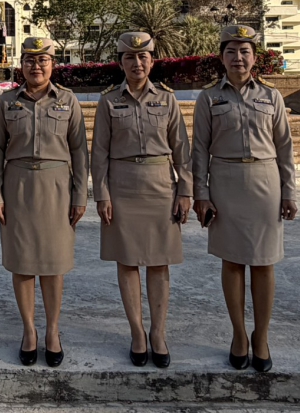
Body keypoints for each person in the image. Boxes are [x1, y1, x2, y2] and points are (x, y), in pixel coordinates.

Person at [192, 25, 297, 373]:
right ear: (222, 58)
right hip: (225, 183)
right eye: (231, 51)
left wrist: (289, 191)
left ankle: (261, 336)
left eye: (245, 51)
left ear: (254, 57)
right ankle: (239, 335)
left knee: (264, 263)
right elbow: (199, 150)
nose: (238, 58)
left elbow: (285, 148)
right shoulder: (209, 98)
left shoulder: (271, 96)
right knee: (233, 262)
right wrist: (201, 195)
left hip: (265, 183)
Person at [90, 32, 193, 368]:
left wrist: (185, 190)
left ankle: (158, 333)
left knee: (159, 262)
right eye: (130, 57)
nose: (137, 63)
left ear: (152, 61)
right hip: (122, 188)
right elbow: (99, 152)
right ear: (120, 62)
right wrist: (101, 194)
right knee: (127, 262)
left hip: (160, 186)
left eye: (143, 57)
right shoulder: (109, 101)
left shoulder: (166, 99)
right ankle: (137, 332)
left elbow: (181, 149)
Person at [0, 37, 88, 368]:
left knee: (54, 264)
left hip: (57, 187)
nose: (36, 66)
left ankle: (52, 331)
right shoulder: (8, 102)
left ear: (52, 64)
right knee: (23, 262)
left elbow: (79, 152)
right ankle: (29, 331)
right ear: (22, 65)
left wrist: (80, 195)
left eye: (43, 60)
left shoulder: (68, 101)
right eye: (30, 60)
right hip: (18, 186)